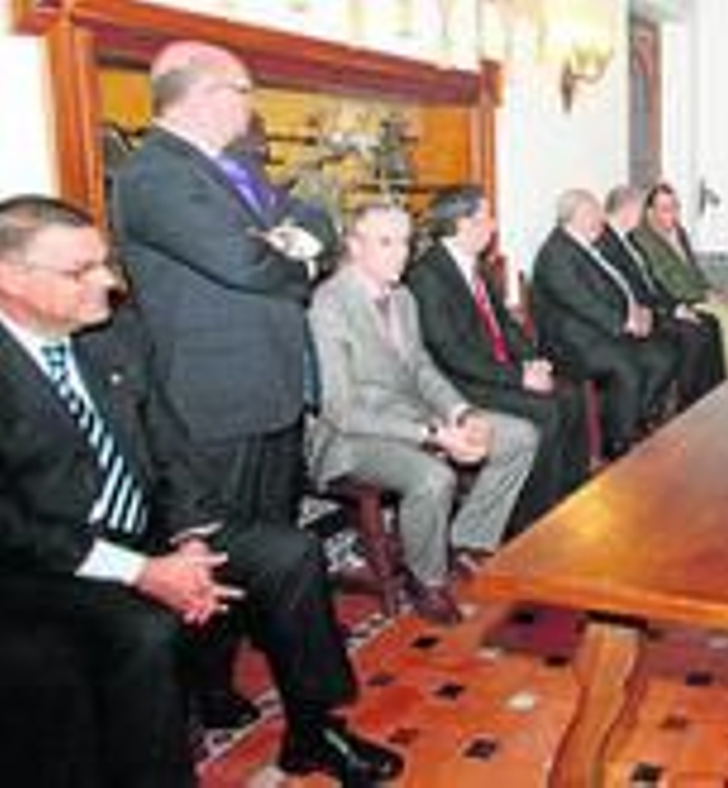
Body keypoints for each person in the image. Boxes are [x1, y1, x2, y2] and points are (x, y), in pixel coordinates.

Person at [0, 194, 402, 786]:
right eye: (81, 270)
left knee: (290, 555)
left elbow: (168, 445)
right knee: (144, 630)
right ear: (10, 278)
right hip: (43, 565)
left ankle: (313, 732)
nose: (109, 282)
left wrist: (190, 537)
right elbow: (13, 526)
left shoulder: (114, 335)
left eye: (105, 263)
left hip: (146, 533)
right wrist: (141, 572)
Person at [110, 39, 330, 730]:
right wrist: (290, 252)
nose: (251, 103)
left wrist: (291, 241)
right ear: (203, 93)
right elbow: (248, 264)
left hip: (268, 389)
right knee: (215, 552)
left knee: (269, 547)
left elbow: (317, 217)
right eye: (243, 89)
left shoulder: (233, 168)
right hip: (212, 400)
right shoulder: (153, 175)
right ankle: (203, 685)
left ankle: (228, 671)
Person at [307, 203, 540, 625]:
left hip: (412, 415)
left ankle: (466, 540)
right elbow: (340, 410)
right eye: (386, 242)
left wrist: (462, 411)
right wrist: (432, 433)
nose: (400, 253)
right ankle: (426, 580)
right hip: (349, 439)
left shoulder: (403, 297)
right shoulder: (330, 305)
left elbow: (421, 368)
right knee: (434, 477)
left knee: (520, 435)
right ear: (355, 246)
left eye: (405, 242)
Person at [406, 185, 590, 528]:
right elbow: (450, 354)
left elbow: (505, 325)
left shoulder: (476, 266)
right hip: (458, 384)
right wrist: (519, 377)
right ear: (463, 224)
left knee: (570, 395)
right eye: (487, 217)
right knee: (546, 411)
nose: (493, 225)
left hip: (494, 370)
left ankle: (569, 496)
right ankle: (530, 520)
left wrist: (532, 361)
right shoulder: (427, 275)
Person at [532, 189, 679, 459]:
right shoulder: (556, 253)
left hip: (599, 332)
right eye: (593, 213)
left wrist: (637, 312)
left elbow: (612, 288)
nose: (600, 217)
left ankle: (633, 421)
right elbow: (581, 301)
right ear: (575, 217)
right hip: (570, 343)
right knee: (625, 365)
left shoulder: (586, 245)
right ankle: (617, 445)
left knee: (662, 355)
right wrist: (626, 322)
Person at [599, 185, 726, 406]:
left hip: (654, 307)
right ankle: (687, 405)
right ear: (628, 210)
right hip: (639, 315)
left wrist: (676, 307)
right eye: (641, 210)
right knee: (693, 333)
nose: (643, 216)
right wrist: (663, 311)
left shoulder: (628, 240)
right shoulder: (607, 243)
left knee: (710, 323)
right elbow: (624, 290)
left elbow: (652, 283)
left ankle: (710, 398)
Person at [635, 181, 728, 375]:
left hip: (699, 293)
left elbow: (694, 271)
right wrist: (704, 296)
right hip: (682, 299)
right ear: (650, 212)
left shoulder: (679, 233)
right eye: (666, 209)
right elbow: (667, 281)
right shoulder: (644, 239)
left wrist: (713, 290)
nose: (673, 214)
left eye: (676, 207)